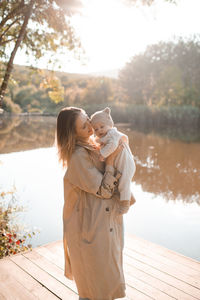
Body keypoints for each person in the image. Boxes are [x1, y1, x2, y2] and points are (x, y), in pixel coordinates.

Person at [56, 106, 134, 300]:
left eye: (88, 122)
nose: (91, 129)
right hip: (92, 227)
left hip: (107, 221)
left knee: (107, 281)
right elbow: (104, 191)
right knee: (94, 286)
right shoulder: (78, 157)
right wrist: (110, 162)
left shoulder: (95, 144)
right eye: (85, 127)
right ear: (73, 134)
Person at [90, 107, 136, 215]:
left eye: (102, 126)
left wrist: (102, 154)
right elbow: (100, 140)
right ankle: (128, 199)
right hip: (119, 163)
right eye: (95, 129)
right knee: (119, 182)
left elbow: (113, 145)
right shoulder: (106, 135)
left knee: (124, 183)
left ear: (110, 125)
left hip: (126, 164)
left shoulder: (112, 133)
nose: (99, 130)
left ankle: (126, 203)